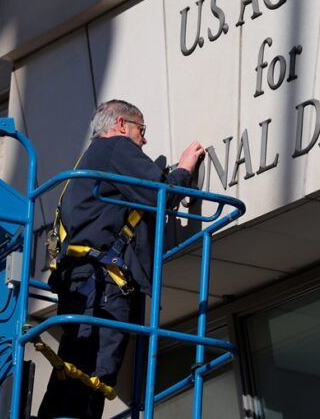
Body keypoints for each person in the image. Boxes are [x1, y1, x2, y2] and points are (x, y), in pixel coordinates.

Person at [37, 99, 205, 419]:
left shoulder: (89, 163)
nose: (144, 140)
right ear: (121, 126)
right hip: (102, 286)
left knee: (72, 373)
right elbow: (161, 195)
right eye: (141, 130)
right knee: (92, 375)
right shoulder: (115, 148)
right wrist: (183, 169)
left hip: (83, 283)